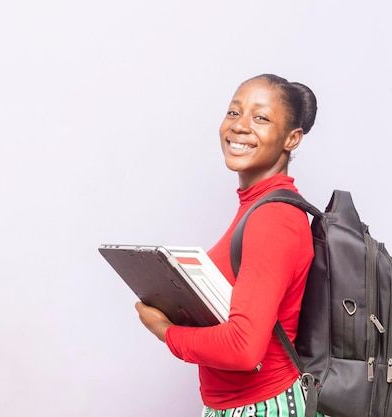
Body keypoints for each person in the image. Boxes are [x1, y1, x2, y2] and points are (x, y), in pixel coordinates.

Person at [135, 73, 322, 417]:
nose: (240, 126)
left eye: (261, 118)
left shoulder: (274, 218)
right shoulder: (255, 208)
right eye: (234, 113)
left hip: (263, 408)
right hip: (240, 406)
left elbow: (243, 349)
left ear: (291, 139)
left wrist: (165, 330)